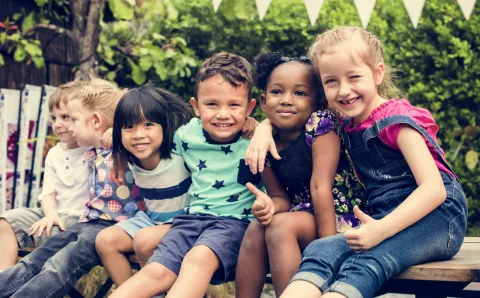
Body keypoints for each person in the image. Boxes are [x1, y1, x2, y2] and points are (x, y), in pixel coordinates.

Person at [248, 26, 467, 298]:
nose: (344, 90)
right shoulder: (345, 119)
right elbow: (288, 114)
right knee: (322, 249)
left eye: (354, 77)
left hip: (437, 218)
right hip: (385, 216)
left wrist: (380, 230)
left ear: (377, 73)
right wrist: (264, 127)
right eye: (331, 82)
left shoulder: (398, 121)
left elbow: (435, 190)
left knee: (364, 264)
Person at [110, 52, 261, 298]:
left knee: (197, 258)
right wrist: (117, 151)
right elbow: (147, 142)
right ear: (196, 106)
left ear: (250, 107)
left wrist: (263, 126)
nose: (223, 114)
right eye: (212, 104)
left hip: (235, 224)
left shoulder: (256, 139)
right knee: (156, 271)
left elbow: (287, 127)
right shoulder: (186, 135)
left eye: (234, 105)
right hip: (190, 221)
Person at [236, 53, 366, 298]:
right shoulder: (264, 144)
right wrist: (267, 207)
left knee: (280, 227)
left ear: (318, 102)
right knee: (258, 226)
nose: (286, 100)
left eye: (300, 93)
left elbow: (320, 187)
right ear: (263, 101)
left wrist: (328, 251)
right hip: (303, 216)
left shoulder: (320, 124)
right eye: (277, 92)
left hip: (339, 220)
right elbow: (280, 199)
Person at [0, 83, 145, 298]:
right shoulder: (92, 150)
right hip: (89, 222)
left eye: (72, 120)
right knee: (37, 259)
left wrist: (115, 132)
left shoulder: (124, 144)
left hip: (114, 226)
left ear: (96, 121)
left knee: (58, 266)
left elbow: (136, 125)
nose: (69, 128)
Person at [95, 83, 193, 286]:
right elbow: (119, 140)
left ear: (164, 126)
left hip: (187, 222)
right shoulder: (129, 156)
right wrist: (117, 150)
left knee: (144, 241)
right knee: (105, 241)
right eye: (129, 127)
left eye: (148, 125)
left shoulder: (179, 150)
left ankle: (156, 290)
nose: (139, 134)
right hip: (152, 220)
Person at [0, 81, 90, 270]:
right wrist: (50, 214)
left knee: (51, 231)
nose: (57, 124)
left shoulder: (95, 149)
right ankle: (4, 279)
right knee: (7, 220)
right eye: (54, 118)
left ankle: (31, 282)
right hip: (53, 213)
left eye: (65, 117)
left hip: (81, 218)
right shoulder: (55, 153)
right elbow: (48, 192)